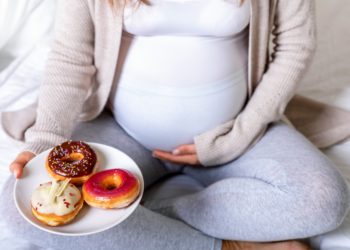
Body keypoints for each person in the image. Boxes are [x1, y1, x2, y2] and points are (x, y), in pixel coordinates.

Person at [3, 0, 350, 249]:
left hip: (236, 132)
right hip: (124, 131)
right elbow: (71, 56)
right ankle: (228, 245)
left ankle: (142, 211)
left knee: (324, 201)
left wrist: (237, 136)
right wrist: (43, 143)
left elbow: (296, 45)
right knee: (20, 210)